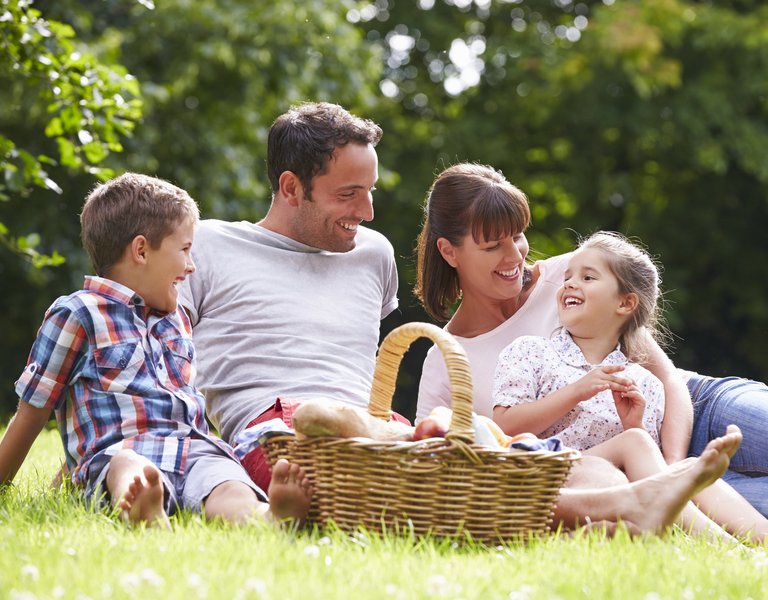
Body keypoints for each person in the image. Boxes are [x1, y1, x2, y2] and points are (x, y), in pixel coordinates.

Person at [415, 162, 768, 520]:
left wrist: (669, 472)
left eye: (517, 235)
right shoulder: (445, 360)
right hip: (615, 476)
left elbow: (666, 376)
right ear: (449, 252)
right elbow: (439, 464)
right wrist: (652, 482)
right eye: (493, 246)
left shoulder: (571, 276)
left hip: (692, 409)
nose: (514, 256)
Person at [0, 173, 311, 527]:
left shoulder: (176, 317)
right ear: (142, 250)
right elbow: (32, 413)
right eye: (184, 250)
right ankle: (143, 505)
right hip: (124, 450)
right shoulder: (78, 314)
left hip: (193, 449)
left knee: (226, 481)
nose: (192, 266)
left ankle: (267, 517)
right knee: (127, 466)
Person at [177, 102, 402, 493]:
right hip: (276, 429)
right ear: (291, 188)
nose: (367, 212)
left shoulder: (375, 253)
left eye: (370, 191)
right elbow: (153, 355)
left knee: (469, 463)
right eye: (349, 194)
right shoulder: (206, 246)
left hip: (375, 426)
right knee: (350, 484)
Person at [491, 231, 768, 541]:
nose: (570, 283)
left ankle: (762, 547)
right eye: (569, 276)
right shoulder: (530, 351)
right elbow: (505, 425)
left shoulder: (644, 384)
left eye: (588, 277)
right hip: (554, 482)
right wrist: (577, 391)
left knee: (687, 468)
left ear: (625, 303)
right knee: (644, 449)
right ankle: (729, 549)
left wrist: (631, 424)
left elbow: (643, 471)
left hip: (616, 489)